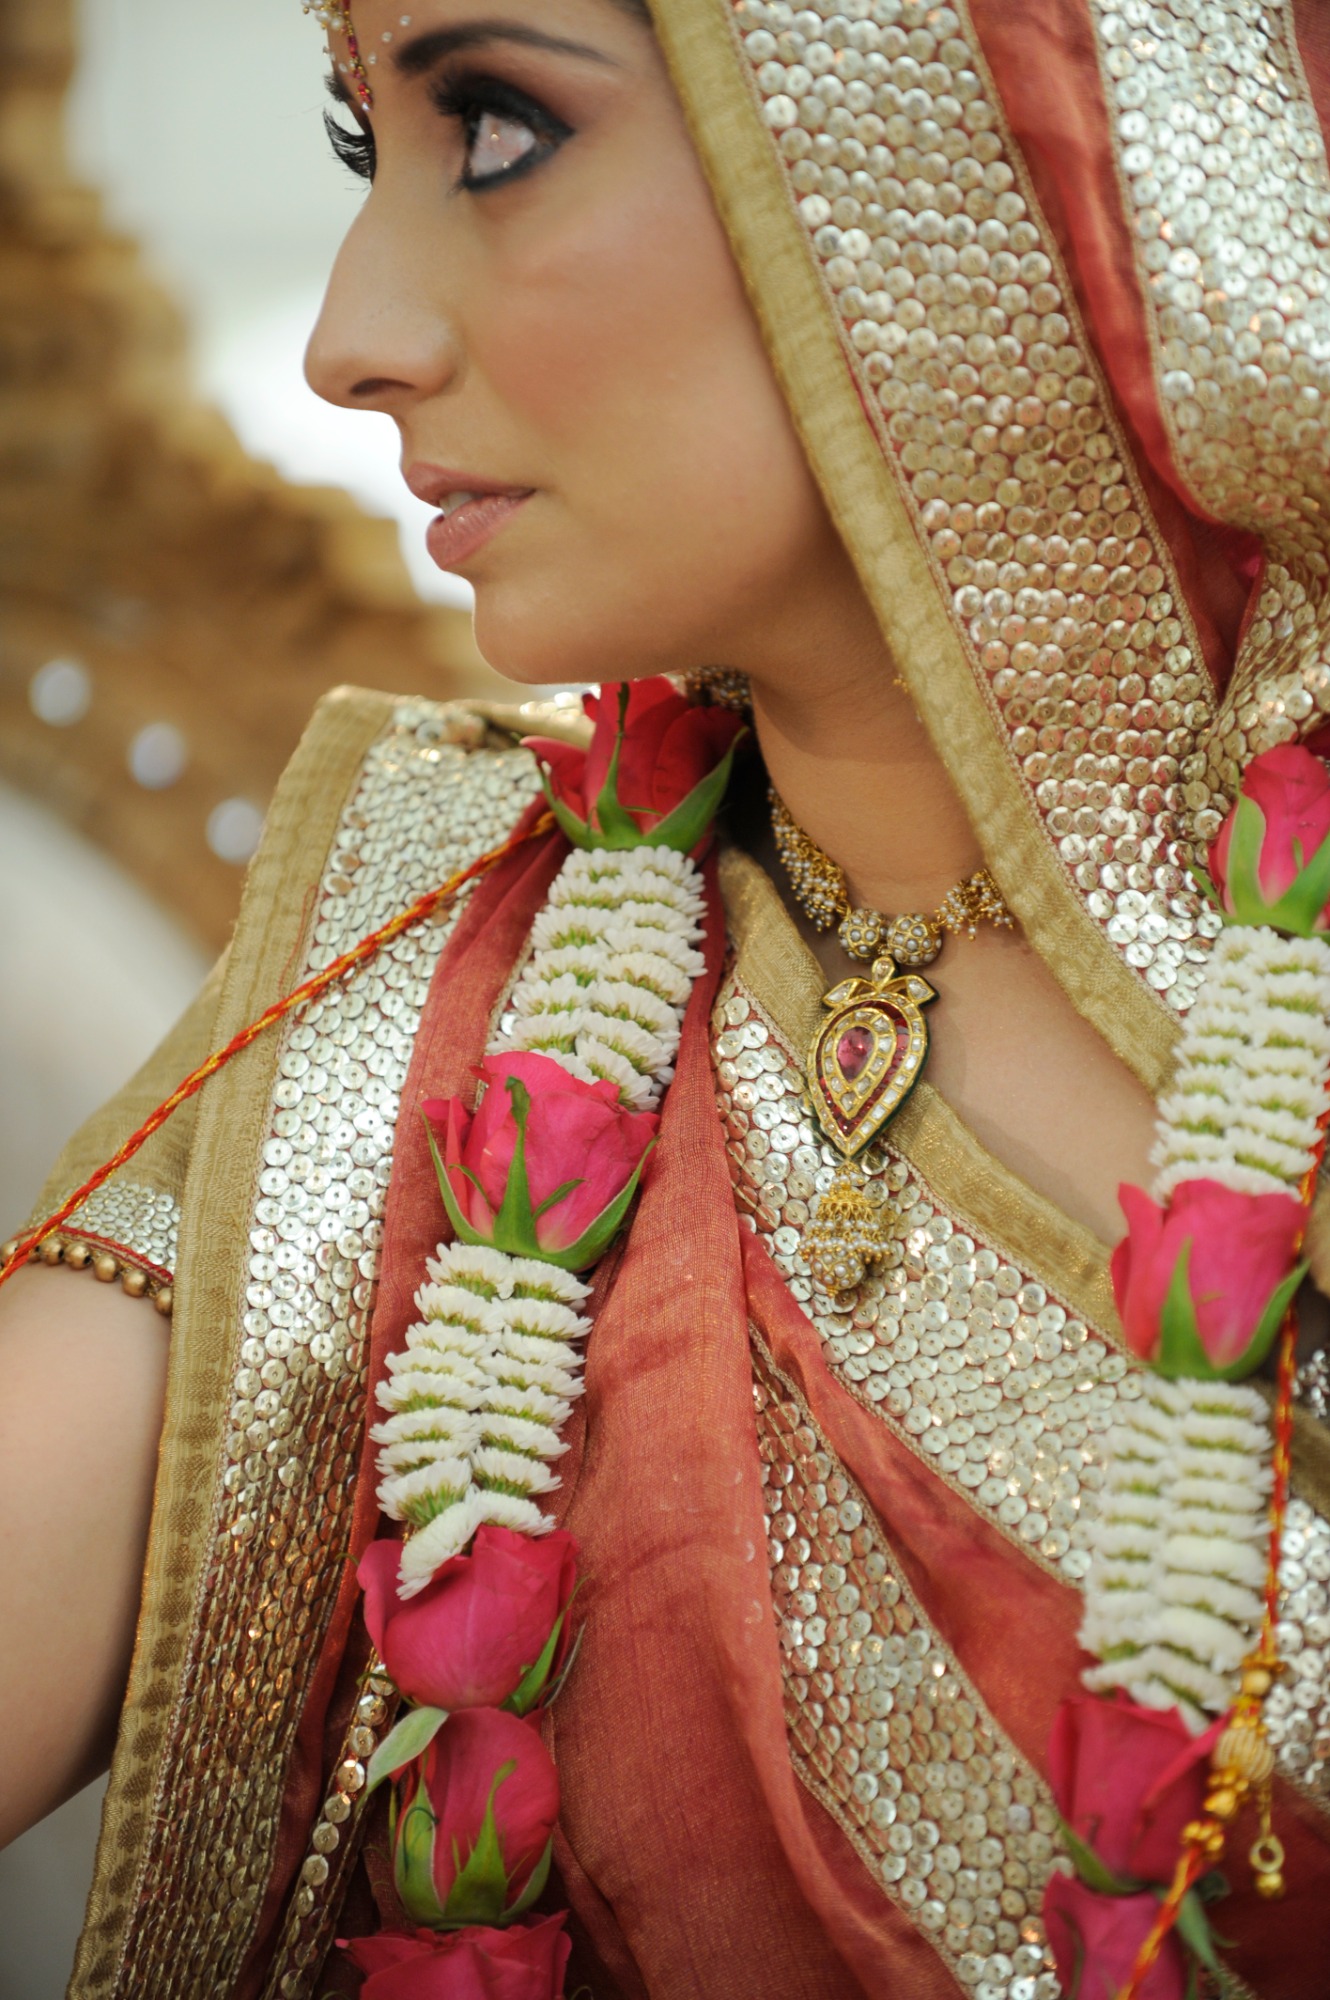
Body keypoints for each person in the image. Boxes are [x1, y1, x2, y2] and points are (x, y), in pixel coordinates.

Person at [4, 0, 1330, 1992]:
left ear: (950, 123)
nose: (350, 338)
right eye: (366, 149)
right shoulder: (444, 989)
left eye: (499, 130)